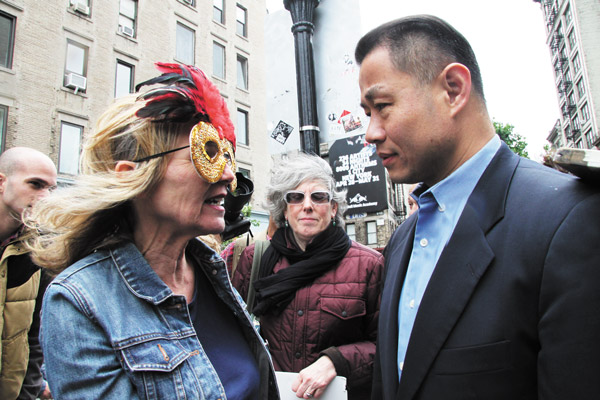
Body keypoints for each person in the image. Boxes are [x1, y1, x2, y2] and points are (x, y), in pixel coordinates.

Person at [355, 14, 600, 400]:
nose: (371, 132)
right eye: (367, 113)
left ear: (453, 90)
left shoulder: (569, 221)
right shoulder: (403, 239)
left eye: (382, 106)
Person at [25, 63, 279, 399]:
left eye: (227, 155)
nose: (228, 175)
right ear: (132, 177)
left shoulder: (211, 270)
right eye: (207, 154)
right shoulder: (79, 302)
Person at [232, 152, 384, 400]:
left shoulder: (369, 265)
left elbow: (387, 346)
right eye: (296, 197)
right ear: (284, 209)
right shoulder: (254, 259)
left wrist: (336, 361)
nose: (307, 205)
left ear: (333, 208)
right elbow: (231, 336)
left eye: (318, 196)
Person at [0, 147, 56, 400]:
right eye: (35, 184)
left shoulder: (38, 250)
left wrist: (29, 392)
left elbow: (33, 337)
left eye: (50, 189)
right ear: (2, 182)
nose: (44, 197)